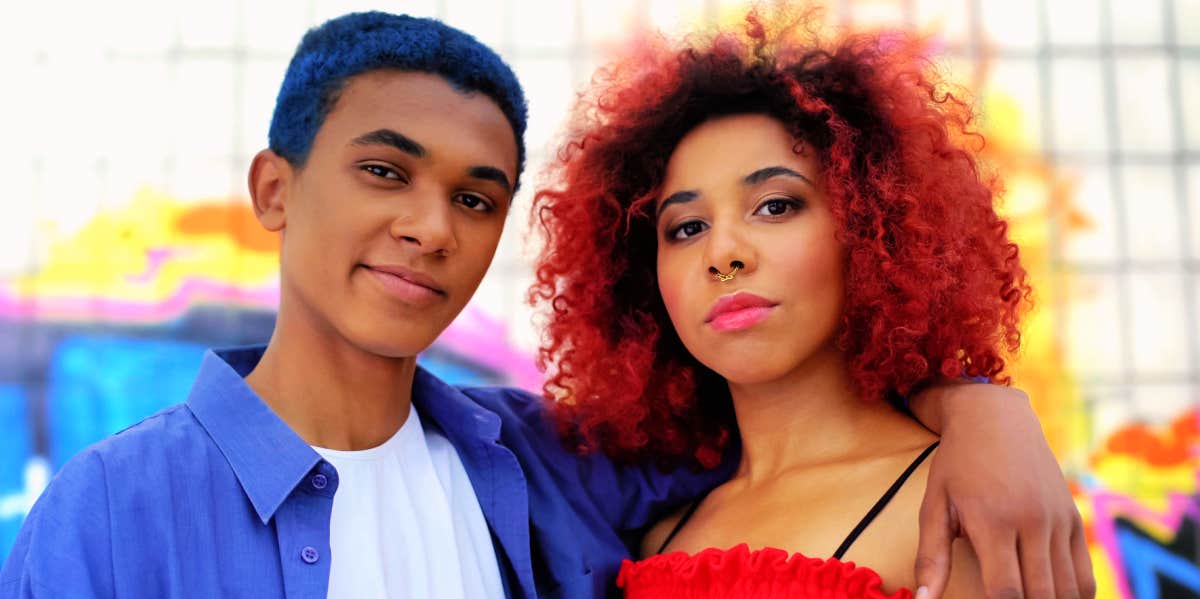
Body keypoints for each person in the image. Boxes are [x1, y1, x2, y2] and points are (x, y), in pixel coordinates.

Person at [1, 10, 1087, 599]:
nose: (432, 226)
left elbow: (805, 429)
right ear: (275, 189)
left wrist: (982, 405)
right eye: (386, 171)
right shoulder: (107, 513)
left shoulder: (558, 466)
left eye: (476, 196)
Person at [529, 8, 1093, 599]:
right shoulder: (651, 535)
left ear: (872, 228)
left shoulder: (962, 505)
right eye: (687, 227)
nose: (723, 254)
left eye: (775, 205)